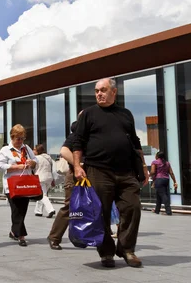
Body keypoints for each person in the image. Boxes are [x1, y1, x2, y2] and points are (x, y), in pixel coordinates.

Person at [73, 78, 148, 268]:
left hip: (126, 171)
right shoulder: (88, 114)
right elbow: (78, 141)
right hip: (98, 170)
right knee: (102, 213)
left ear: (113, 92)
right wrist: (77, 166)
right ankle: (106, 253)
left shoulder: (125, 114)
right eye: (97, 90)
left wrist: (144, 167)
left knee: (133, 207)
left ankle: (126, 249)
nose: (99, 93)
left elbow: (135, 142)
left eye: (103, 90)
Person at [0, 124, 38, 247]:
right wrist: (16, 167)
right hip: (12, 185)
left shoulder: (26, 148)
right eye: (18, 139)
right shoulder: (5, 150)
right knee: (16, 210)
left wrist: (32, 162)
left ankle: (13, 231)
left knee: (23, 210)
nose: (20, 141)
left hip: (25, 184)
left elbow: (35, 161)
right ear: (12, 137)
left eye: (22, 138)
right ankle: (21, 236)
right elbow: (1, 166)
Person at [47, 118, 80, 250]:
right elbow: (64, 151)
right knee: (70, 207)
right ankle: (54, 237)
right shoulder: (76, 135)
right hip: (74, 176)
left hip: (93, 176)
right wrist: (79, 165)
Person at [33, 144, 56, 218]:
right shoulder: (48, 157)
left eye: (34, 149)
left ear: (37, 150)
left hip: (40, 178)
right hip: (49, 178)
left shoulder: (36, 158)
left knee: (43, 195)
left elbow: (33, 169)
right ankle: (38, 211)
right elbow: (52, 169)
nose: (33, 151)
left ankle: (50, 210)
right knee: (42, 193)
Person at [151, 151, 177, 216]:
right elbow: (171, 173)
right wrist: (175, 182)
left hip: (159, 179)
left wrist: (148, 175)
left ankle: (168, 211)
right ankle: (157, 210)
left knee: (163, 195)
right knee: (159, 195)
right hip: (166, 180)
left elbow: (153, 172)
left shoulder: (155, 162)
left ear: (157, 156)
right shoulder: (167, 163)